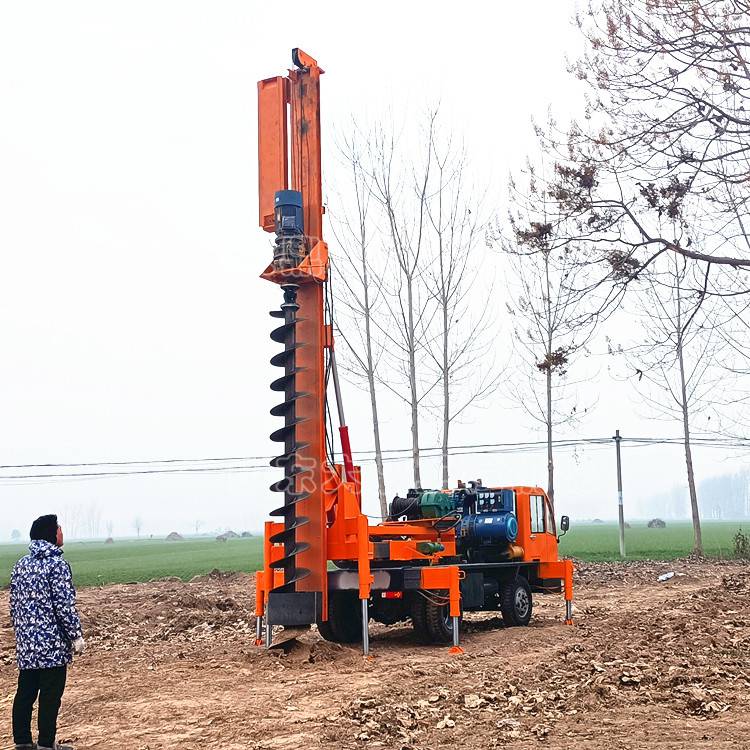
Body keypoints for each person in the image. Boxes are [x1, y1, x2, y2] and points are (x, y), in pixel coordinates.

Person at [9, 515, 85, 750]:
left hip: (27, 645)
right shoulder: (57, 565)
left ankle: (22, 741)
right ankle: (45, 744)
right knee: (50, 696)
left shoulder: (21, 565)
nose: (62, 532)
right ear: (51, 534)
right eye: (59, 528)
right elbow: (63, 605)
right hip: (52, 645)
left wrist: (22, 635)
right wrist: (76, 635)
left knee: (25, 693)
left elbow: (14, 605)